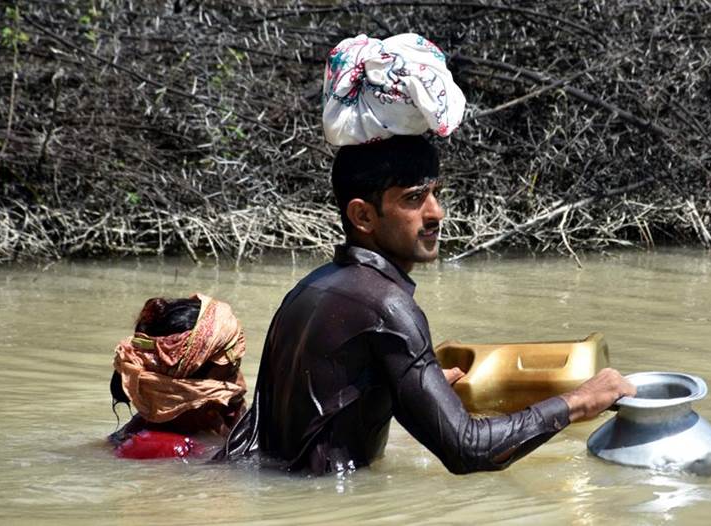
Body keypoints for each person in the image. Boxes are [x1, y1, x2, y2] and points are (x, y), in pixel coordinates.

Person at [216, 33, 636, 475]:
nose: (436, 213)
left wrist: (410, 388)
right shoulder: (387, 305)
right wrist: (577, 402)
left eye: (436, 193)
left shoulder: (309, 289)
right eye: (415, 199)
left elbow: (299, 427)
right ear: (363, 216)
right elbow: (467, 450)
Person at [109, 294, 247, 453]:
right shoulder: (171, 448)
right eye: (231, 371)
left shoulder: (140, 431)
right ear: (183, 388)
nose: (240, 385)